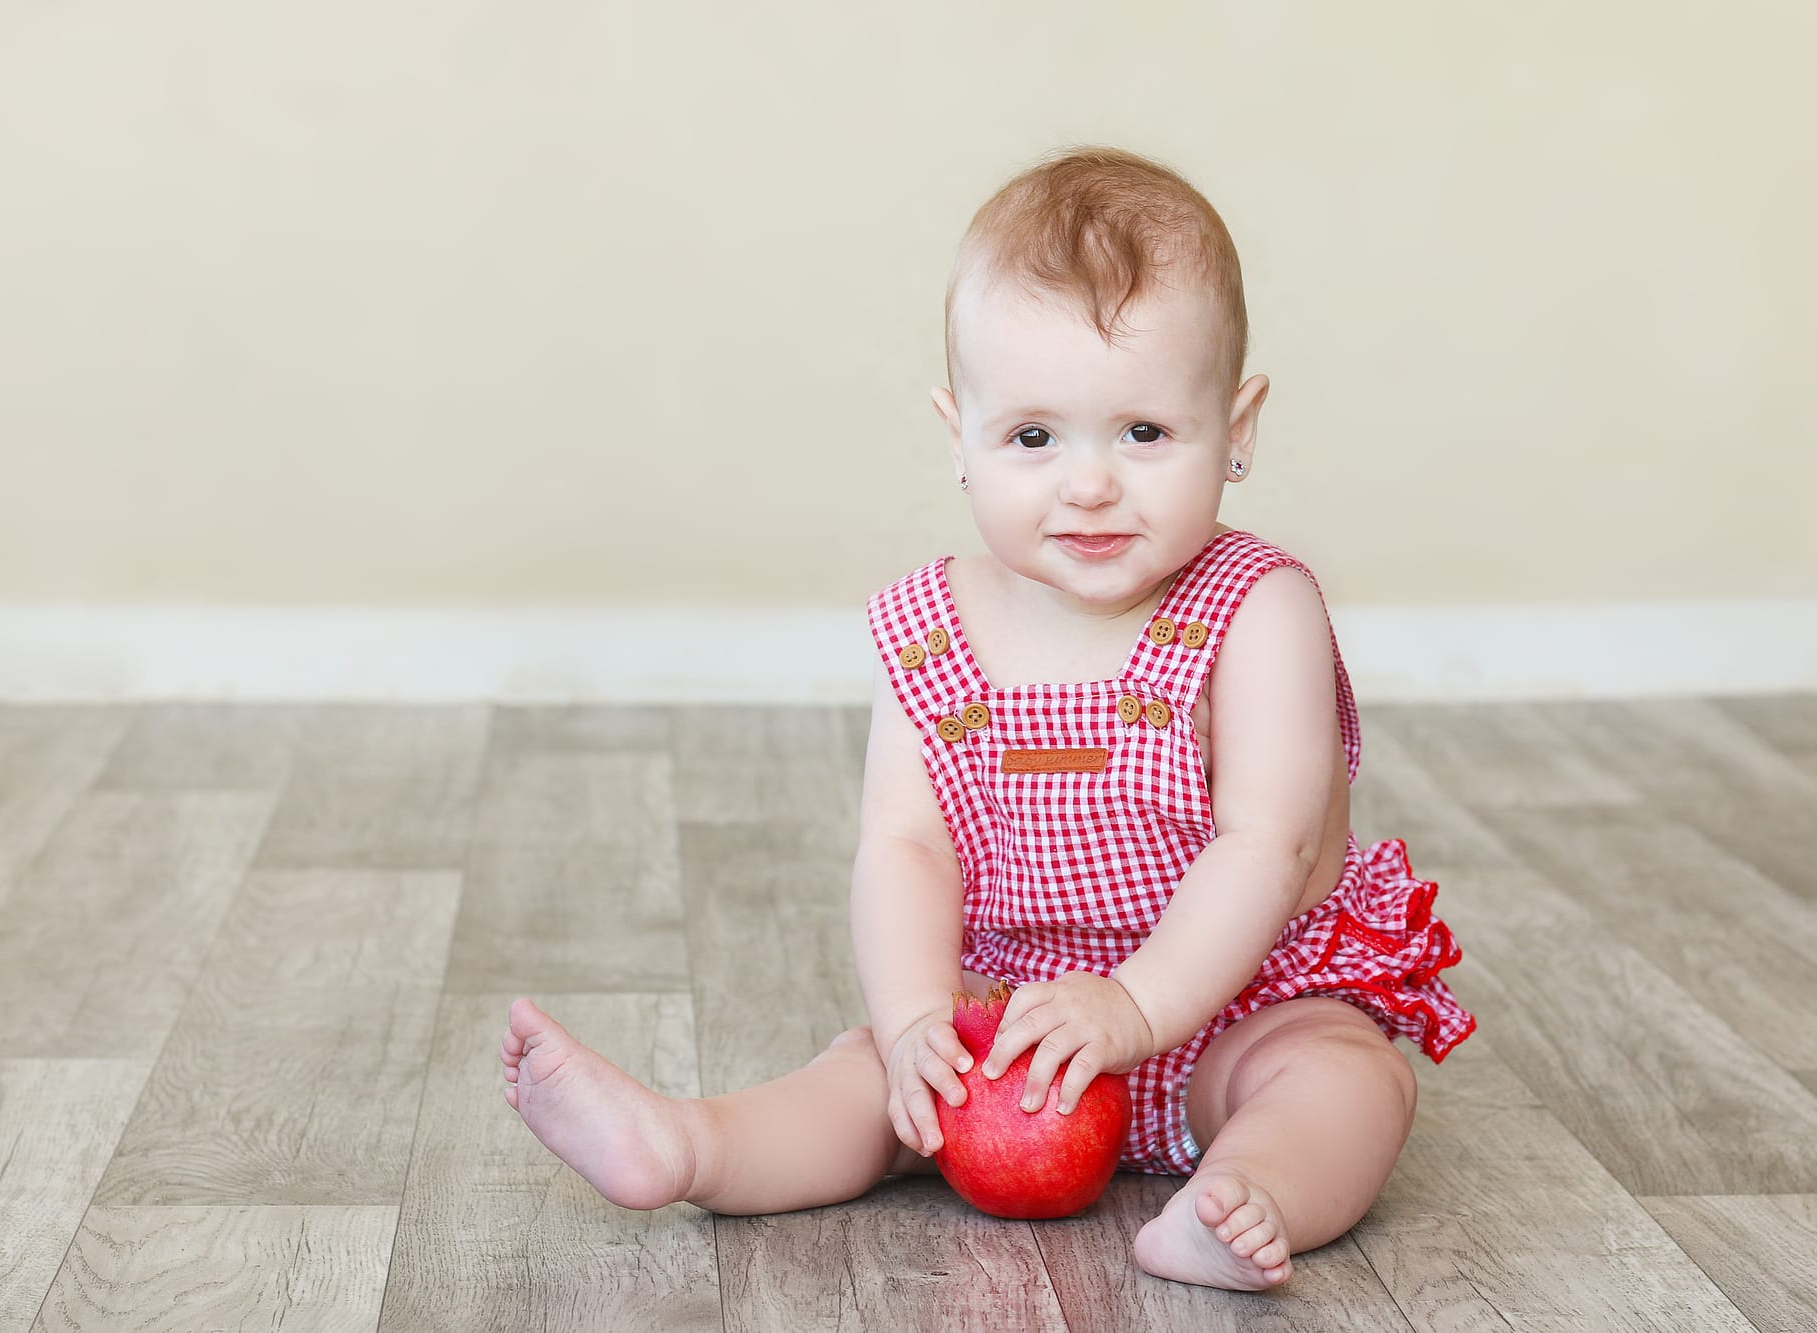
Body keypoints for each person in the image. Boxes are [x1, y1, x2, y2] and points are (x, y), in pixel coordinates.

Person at [499, 144, 1475, 1291]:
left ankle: (1249, 1191)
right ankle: (697, 1144)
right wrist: (917, 1019)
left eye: (1144, 433)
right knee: (871, 1082)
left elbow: (1267, 844)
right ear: (955, 434)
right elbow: (903, 843)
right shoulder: (930, 629)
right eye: (1032, 437)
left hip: (1231, 1011)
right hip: (1012, 1024)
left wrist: (1134, 1006)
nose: (1090, 483)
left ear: (1236, 425)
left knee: (1345, 1078)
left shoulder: (1259, 610)